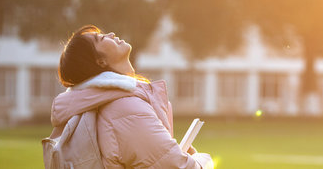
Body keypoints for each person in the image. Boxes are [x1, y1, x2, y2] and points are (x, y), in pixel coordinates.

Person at [50, 25, 214, 168]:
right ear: (99, 61)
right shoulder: (125, 108)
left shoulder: (108, 102)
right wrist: (202, 159)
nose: (111, 34)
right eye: (101, 38)